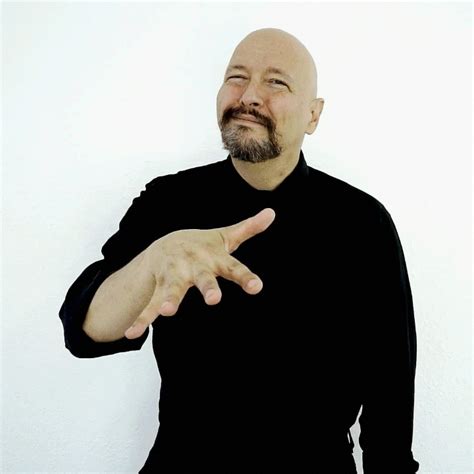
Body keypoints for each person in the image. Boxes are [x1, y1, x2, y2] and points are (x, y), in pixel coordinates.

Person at [59, 28, 419, 473]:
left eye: (276, 82)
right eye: (237, 77)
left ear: (313, 115)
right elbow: (83, 332)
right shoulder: (167, 201)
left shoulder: (362, 221)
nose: (249, 96)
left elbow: (390, 389)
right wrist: (154, 260)